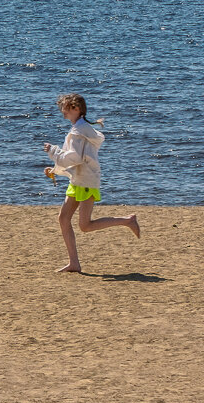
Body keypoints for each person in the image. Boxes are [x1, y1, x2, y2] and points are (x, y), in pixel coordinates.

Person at [42, 93, 139, 273]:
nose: (62, 112)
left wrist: (53, 151)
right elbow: (72, 157)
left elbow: (75, 157)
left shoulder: (79, 131)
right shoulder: (79, 129)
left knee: (85, 226)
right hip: (78, 180)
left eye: (65, 108)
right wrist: (54, 168)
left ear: (75, 109)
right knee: (63, 218)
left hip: (86, 181)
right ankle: (74, 263)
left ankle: (128, 221)